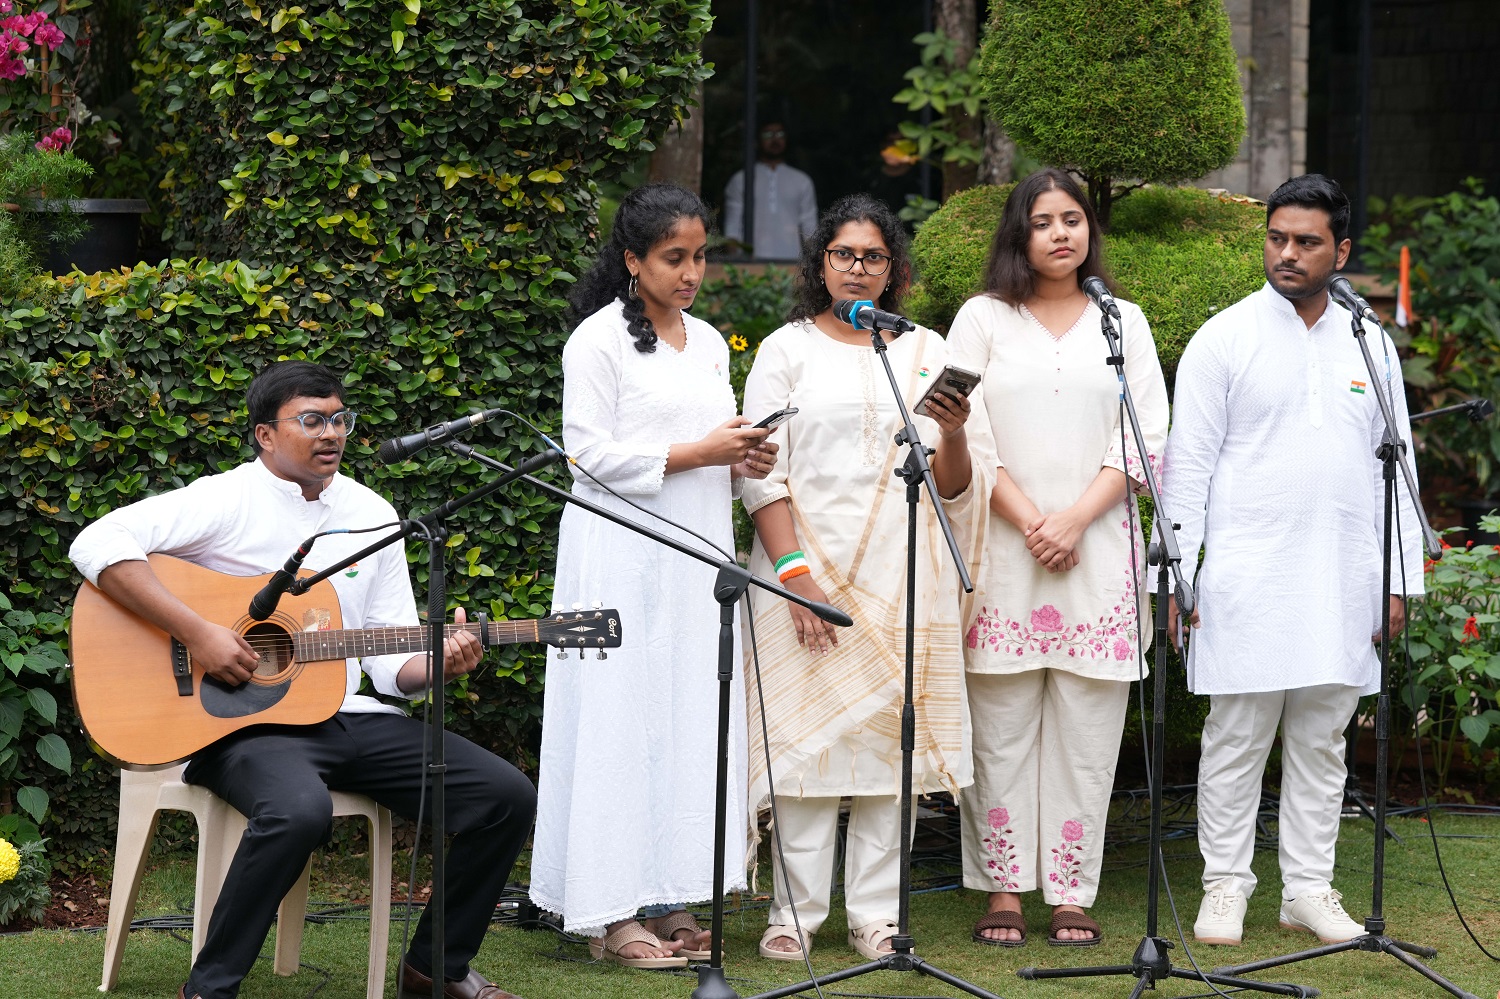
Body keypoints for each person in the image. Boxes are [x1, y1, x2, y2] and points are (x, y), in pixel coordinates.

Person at [68, 360, 535, 999]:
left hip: (344, 717)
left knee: (506, 795)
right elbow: (98, 543)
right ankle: (209, 987)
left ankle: (434, 970)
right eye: (311, 420)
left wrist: (439, 663)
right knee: (297, 812)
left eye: (340, 419)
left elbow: (390, 663)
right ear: (265, 435)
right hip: (236, 723)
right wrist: (202, 633)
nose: (331, 433)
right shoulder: (225, 497)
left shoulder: (372, 512)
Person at [1162, 173, 1423, 947]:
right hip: (1246, 574)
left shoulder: (1370, 343)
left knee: (1322, 739)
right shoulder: (1225, 337)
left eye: (1306, 242)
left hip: (1343, 577)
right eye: (1277, 238)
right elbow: (1188, 468)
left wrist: (1399, 577)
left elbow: (1398, 464)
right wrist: (1176, 573)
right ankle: (1224, 887)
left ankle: (1308, 888)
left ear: (1340, 250)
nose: (1287, 253)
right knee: (1236, 734)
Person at [529, 183, 778, 968]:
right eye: (675, 258)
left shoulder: (707, 342)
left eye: (700, 256)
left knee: (682, 715)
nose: (692, 272)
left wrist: (745, 453)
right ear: (633, 260)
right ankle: (608, 911)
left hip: (695, 553)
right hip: (618, 555)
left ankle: (670, 893)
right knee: (617, 718)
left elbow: (715, 441)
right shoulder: (596, 342)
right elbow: (586, 455)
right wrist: (696, 453)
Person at [739, 193, 988, 962]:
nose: (857, 268)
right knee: (805, 752)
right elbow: (760, 476)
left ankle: (876, 915)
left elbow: (952, 487)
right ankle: (794, 912)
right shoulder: (784, 350)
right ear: (821, 263)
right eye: (843, 254)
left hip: (902, 574)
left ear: (894, 270)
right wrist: (794, 578)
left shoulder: (920, 350)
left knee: (891, 755)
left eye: (872, 256)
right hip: (802, 574)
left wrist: (951, 431)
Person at [946, 168, 1169, 948]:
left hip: (1096, 553)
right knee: (1000, 729)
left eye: (1072, 219)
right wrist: (1034, 520)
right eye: (1043, 221)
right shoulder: (981, 318)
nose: (1061, 233)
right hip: (1002, 551)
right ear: (1020, 232)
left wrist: (1072, 520)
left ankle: (1072, 890)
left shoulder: (1122, 321)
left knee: (1087, 734)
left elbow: (1144, 435)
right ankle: (1004, 888)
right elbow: (963, 432)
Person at [722, 120, 818, 260]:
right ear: (757, 140)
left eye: (779, 134)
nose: (774, 139)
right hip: (750, 268)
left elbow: (810, 230)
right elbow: (732, 229)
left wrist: (812, 269)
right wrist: (737, 266)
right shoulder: (741, 179)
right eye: (768, 134)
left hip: (793, 265)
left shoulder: (802, 181)